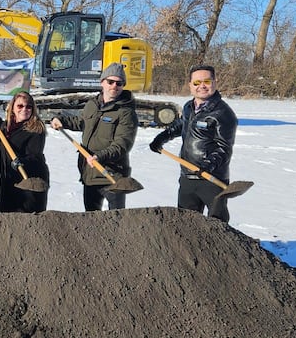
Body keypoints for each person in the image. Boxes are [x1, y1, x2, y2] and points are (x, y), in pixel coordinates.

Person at [149, 64, 238, 222]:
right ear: (190, 85)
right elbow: (180, 125)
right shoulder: (189, 107)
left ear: (215, 82)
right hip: (187, 175)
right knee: (186, 223)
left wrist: (207, 166)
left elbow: (224, 149)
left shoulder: (223, 113)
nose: (202, 86)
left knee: (217, 225)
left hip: (212, 179)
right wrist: (162, 138)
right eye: (197, 83)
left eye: (207, 81)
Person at [50, 62, 138, 211]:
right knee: (91, 220)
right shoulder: (92, 104)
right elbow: (81, 122)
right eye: (110, 82)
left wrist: (100, 156)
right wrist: (61, 120)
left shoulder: (126, 112)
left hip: (113, 174)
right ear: (102, 82)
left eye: (119, 83)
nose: (114, 86)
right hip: (90, 173)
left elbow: (123, 144)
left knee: (117, 221)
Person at [0, 91, 49, 213]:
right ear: (13, 108)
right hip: (8, 179)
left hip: (29, 182)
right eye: (20, 106)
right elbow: (5, 136)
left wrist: (22, 162)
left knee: (25, 219)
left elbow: (34, 156)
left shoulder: (36, 129)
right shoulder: (8, 126)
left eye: (28, 106)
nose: (25, 109)